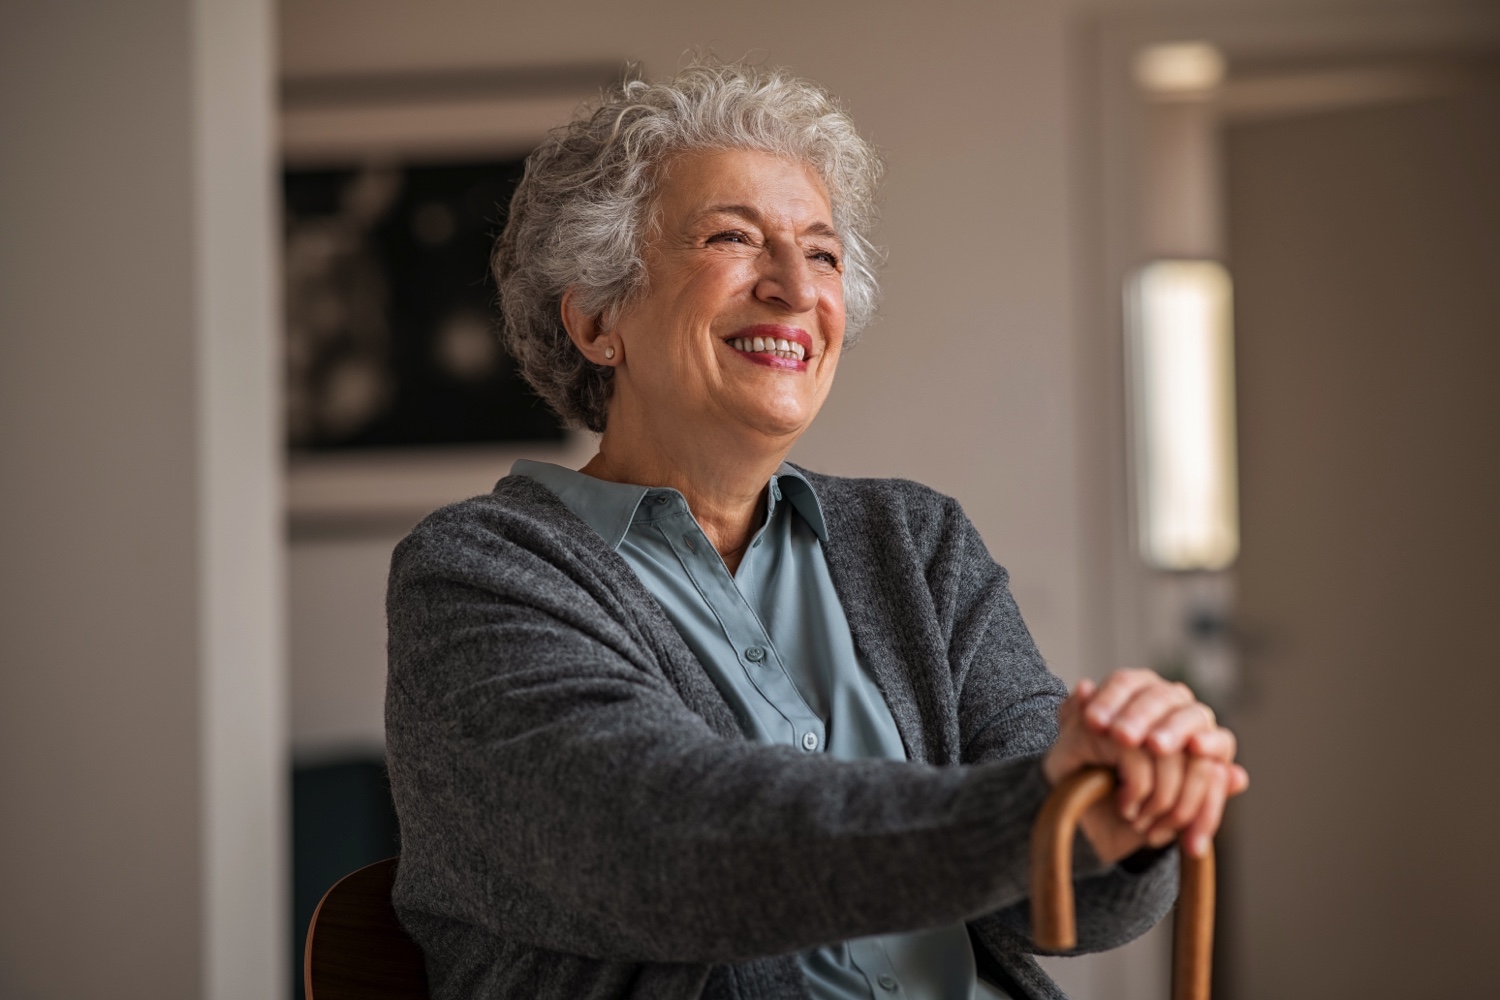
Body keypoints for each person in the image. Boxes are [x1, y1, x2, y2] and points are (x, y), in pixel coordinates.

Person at [385, 59, 1247, 1000]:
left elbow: (1073, 907)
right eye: (732, 238)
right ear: (597, 318)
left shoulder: (915, 543)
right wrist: (1039, 809)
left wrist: (1131, 790)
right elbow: (658, 846)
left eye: (823, 252)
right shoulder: (477, 571)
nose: (796, 288)